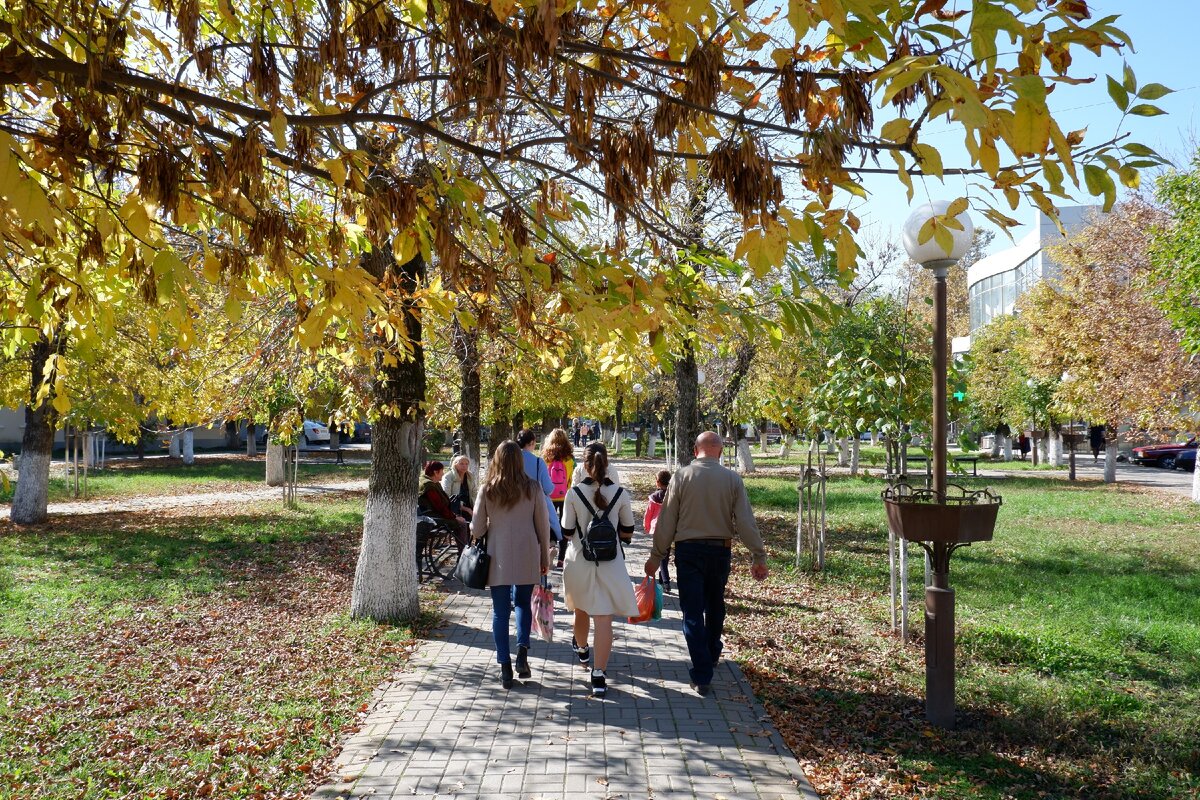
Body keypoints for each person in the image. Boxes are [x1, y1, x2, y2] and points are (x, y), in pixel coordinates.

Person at [645, 432, 769, 697]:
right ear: (721, 452)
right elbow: (745, 522)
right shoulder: (732, 479)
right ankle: (711, 651)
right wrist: (758, 556)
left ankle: (702, 673)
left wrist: (656, 556)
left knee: (692, 611)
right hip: (719, 551)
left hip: (688, 551)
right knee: (715, 604)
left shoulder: (681, 476)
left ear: (694, 450)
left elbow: (667, 520)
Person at [470, 441, 551, 689]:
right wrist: (544, 558)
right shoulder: (533, 488)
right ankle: (523, 653)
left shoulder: (487, 489)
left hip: (498, 555)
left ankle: (505, 667)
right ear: (519, 461)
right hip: (527, 552)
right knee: (524, 604)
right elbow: (543, 526)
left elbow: (479, 527)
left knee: (499, 611)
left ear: (496, 460)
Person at [561, 441, 638, 698]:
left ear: (584, 465)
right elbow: (627, 531)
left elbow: (567, 530)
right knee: (604, 617)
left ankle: (582, 648)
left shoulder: (573, 494)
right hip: (610, 563)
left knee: (581, 608)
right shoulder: (620, 493)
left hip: (580, 561)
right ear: (607, 464)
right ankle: (599, 674)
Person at [517, 428, 563, 543]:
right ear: (532, 443)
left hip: (514, 506)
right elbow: (548, 489)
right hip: (536, 508)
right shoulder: (538, 462)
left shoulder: (511, 461)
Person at [542, 428, 576, 569]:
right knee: (564, 524)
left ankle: (550, 545)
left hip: (548, 496)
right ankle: (561, 559)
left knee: (548, 522)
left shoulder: (545, 457)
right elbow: (572, 478)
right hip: (565, 496)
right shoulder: (569, 458)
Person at [419, 462, 471, 553]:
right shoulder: (429, 486)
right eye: (442, 471)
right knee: (462, 523)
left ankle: (463, 549)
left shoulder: (431, 483)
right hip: (431, 517)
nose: (443, 473)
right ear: (436, 472)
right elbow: (440, 507)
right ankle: (464, 553)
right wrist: (454, 517)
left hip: (432, 514)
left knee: (462, 520)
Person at [642, 469, 672, 592]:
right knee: (665, 555)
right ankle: (662, 578)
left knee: (660, 555)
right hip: (670, 529)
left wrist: (647, 526)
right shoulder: (672, 496)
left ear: (658, 482)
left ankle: (666, 582)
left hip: (657, 530)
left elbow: (648, 514)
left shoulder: (654, 498)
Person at [441, 455, 475, 521]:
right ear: (455, 464)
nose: (464, 466)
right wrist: (467, 509)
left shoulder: (470, 476)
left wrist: (476, 507)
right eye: (461, 464)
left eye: (466, 464)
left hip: (470, 506)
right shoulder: (448, 477)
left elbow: (474, 492)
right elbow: (446, 497)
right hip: (454, 508)